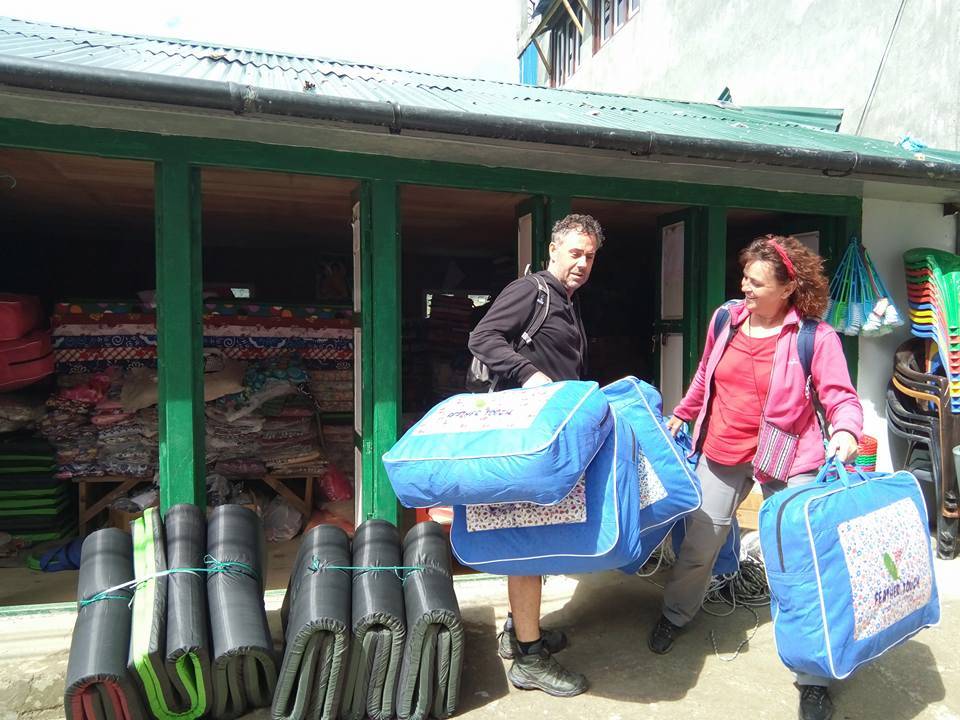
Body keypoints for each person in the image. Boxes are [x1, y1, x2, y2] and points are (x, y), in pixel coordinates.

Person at [650, 235, 863, 720]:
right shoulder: (726, 318)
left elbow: (841, 397)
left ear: (789, 287)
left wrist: (848, 431)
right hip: (724, 447)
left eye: (757, 282)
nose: (744, 287)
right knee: (700, 540)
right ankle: (675, 614)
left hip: (789, 455)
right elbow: (706, 373)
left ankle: (814, 675)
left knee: (801, 561)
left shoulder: (815, 337)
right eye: (744, 277)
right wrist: (683, 414)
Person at [467, 213, 603, 697]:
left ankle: (519, 630)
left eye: (589, 256)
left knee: (535, 539)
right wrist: (530, 376)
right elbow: (481, 337)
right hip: (525, 440)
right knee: (529, 542)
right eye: (575, 253)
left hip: (545, 438)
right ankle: (528, 659)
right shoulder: (532, 291)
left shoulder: (567, 302)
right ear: (553, 250)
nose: (582, 263)